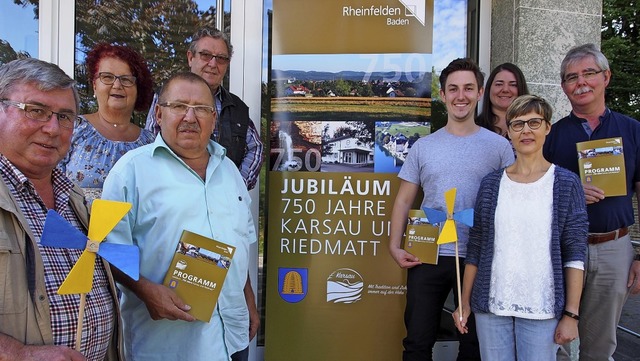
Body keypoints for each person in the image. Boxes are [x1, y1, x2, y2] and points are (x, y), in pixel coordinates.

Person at [102, 72, 258, 361]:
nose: (190, 117)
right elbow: (106, 248)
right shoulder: (128, 171)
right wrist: (145, 289)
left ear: (213, 119)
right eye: (179, 106)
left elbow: (239, 241)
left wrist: (248, 298)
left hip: (233, 337)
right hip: (168, 345)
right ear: (159, 114)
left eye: (201, 109)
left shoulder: (230, 172)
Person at [388, 58, 515, 361]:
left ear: (480, 92)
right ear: (443, 95)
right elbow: (404, 200)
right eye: (453, 89)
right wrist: (394, 245)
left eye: (468, 88)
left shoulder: (499, 147)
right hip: (427, 254)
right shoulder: (423, 146)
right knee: (418, 341)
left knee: (472, 345)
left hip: (478, 257)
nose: (461, 96)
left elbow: (513, 199)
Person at [0, 58, 121, 360]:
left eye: (65, 116)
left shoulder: (76, 199)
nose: (53, 128)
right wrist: (17, 354)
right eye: (36, 111)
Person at [454, 95, 588, 360]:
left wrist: (571, 314)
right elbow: (477, 246)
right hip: (491, 307)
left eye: (534, 122)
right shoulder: (491, 184)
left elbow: (575, 253)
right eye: (518, 124)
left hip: (542, 308)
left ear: (547, 127)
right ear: (509, 132)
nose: (526, 130)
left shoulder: (566, 183)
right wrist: (465, 302)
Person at [543, 43, 640, 361]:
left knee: (600, 347)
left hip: (615, 249)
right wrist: (569, 194)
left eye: (589, 73)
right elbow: (533, 194)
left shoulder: (632, 131)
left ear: (606, 77)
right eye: (571, 77)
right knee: (554, 341)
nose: (580, 82)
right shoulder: (551, 137)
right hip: (561, 249)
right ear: (563, 87)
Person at [145, 27, 263, 190]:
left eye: (221, 58)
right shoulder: (166, 97)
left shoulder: (236, 107)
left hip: (221, 204)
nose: (213, 64)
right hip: (173, 195)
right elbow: (151, 144)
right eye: (206, 55)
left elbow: (255, 148)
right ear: (190, 57)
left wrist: (237, 186)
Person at [59, 43, 155, 204]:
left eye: (126, 79)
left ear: (138, 89)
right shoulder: (72, 128)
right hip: (75, 228)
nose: (117, 85)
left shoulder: (150, 142)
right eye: (107, 77)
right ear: (95, 85)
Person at [476, 62, 529, 137]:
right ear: (489, 89)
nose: (505, 90)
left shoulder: (532, 128)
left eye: (513, 85)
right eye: (499, 84)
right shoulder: (474, 128)